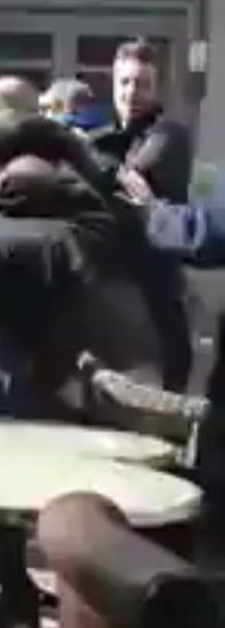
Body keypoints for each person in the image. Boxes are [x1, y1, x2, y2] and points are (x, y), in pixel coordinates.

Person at [93, 39, 194, 391]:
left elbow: (137, 171)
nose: (132, 92)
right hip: (111, 293)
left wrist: (101, 169)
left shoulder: (169, 135)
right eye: (125, 82)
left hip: (156, 296)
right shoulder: (103, 139)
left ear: (156, 89)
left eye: (142, 83)